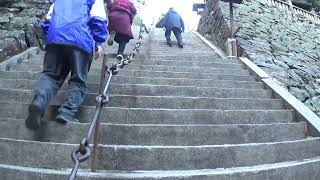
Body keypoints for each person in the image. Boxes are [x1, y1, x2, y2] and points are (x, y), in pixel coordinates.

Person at [25, 0, 108, 130]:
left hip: (55, 38)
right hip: (80, 39)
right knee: (78, 80)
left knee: (50, 76)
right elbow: (98, 19)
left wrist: (50, 39)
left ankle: (39, 102)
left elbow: (47, 21)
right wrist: (98, 42)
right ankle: (66, 113)